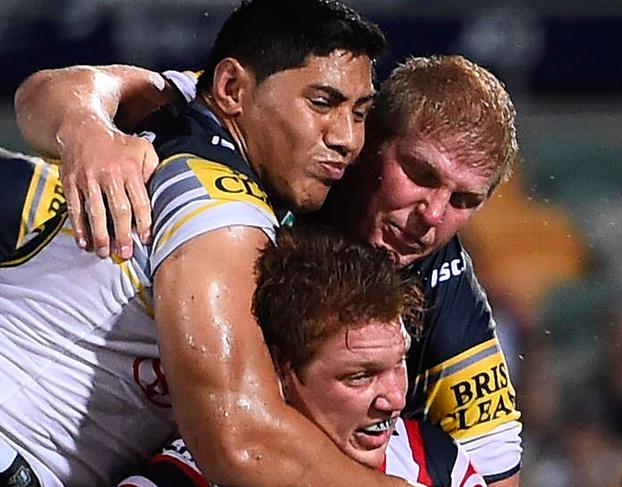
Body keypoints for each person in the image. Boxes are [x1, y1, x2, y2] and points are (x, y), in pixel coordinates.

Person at [14, 54, 522, 486]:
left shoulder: (442, 281)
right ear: (367, 136)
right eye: (420, 172)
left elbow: (500, 471)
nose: (432, 215)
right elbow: (53, 90)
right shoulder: (254, 139)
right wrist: (87, 129)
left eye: (464, 199)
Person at [1, 1, 401, 486]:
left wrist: (85, 126)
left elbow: (52, 88)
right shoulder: (218, 211)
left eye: (359, 112)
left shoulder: (194, 104)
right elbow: (241, 445)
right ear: (233, 88)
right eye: (321, 103)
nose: (346, 138)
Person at [117, 224, 487, 487]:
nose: (394, 398)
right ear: (280, 371)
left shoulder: (439, 465)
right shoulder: (184, 477)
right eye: (359, 376)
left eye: (399, 364)